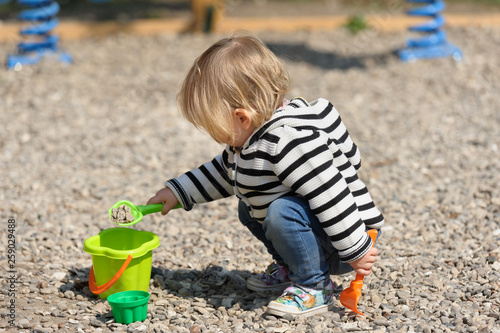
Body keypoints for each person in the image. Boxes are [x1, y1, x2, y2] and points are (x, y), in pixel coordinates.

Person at [147, 33, 384, 317]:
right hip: (323, 229)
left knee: (280, 211)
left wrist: (356, 249)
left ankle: (314, 285)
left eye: (214, 128)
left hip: (346, 234)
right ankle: (294, 267)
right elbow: (223, 173)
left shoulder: (288, 142)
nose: (214, 137)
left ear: (241, 117)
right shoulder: (249, 139)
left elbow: (331, 194)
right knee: (249, 199)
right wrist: (178, 192)